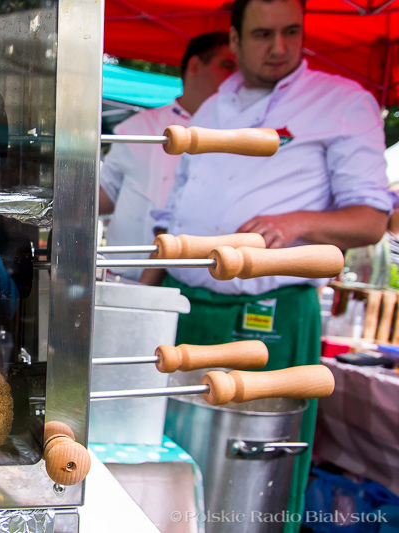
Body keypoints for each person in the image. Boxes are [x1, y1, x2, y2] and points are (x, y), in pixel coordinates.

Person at [149, 0, 397, 530]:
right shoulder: (214, 106)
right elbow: (176, 211)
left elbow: (371, 219)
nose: (279, 48)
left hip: (270, 315)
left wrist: (295, 222)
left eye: (291, 32)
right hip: (187, 306)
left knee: (252, 476)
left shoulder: (341, 102)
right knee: (169, 459)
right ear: (234, 40)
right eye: (263, 34)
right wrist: (146, 300)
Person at [99, 31, 236, 280]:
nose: (236, 78)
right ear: (195, 66)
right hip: (118, 275)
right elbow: (105, 195)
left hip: (190, 280)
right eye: (227, 66)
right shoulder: (137, 128)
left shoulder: (237, 138)